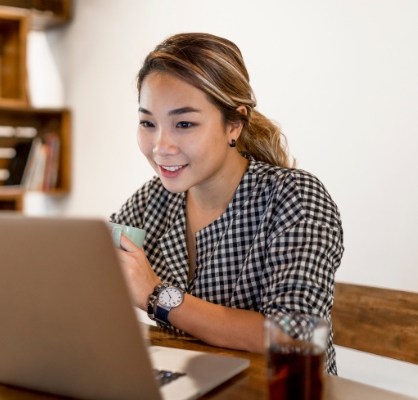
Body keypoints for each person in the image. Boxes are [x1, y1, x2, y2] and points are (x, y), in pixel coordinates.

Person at [110, 32, 344, 374]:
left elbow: (297, 336)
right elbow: (91, 271)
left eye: (184, 124)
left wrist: (156, 296)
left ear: (234, 123)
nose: (160, 146)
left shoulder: (293, 197)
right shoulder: (152, 200)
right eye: (148, 123)